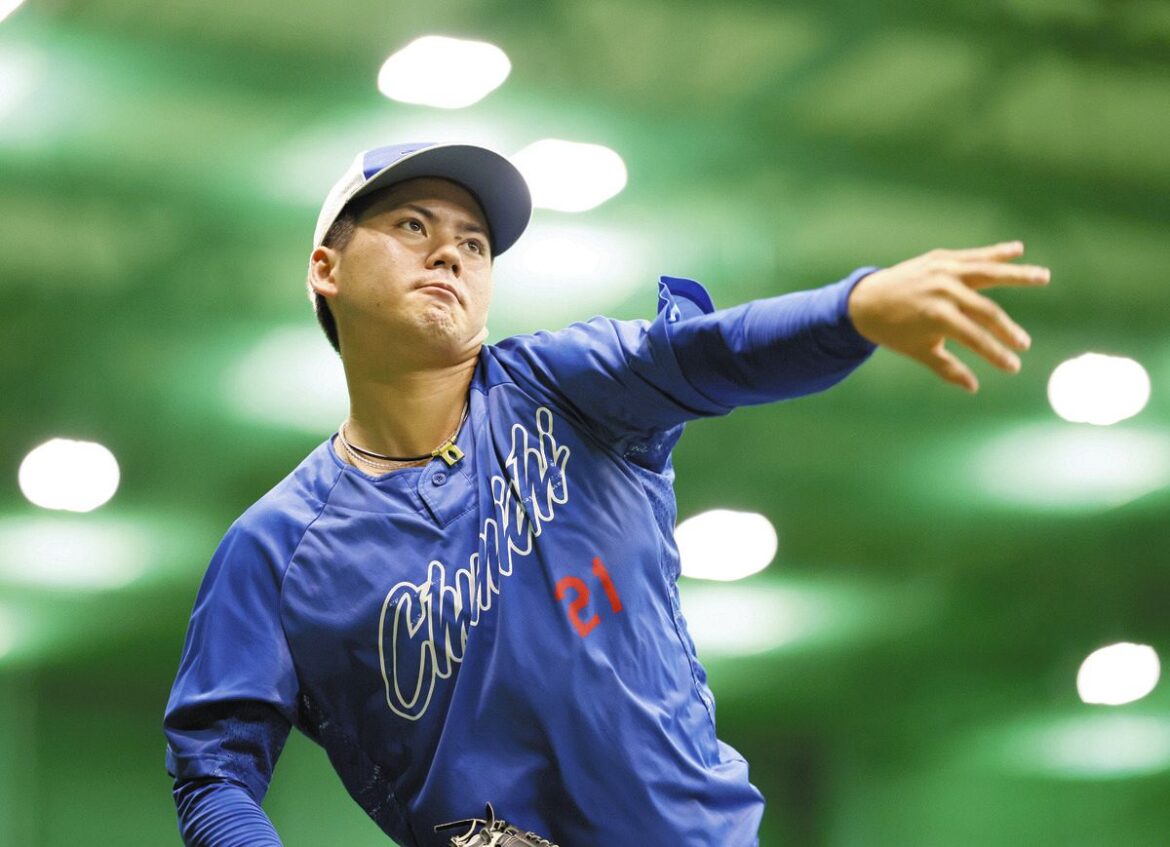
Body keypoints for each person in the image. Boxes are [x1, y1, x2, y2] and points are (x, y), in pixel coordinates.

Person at [163, 141, 1049, 847]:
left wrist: (852, 308)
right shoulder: (276, 548)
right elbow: (213, 770)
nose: (451, 251)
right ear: (326, 267)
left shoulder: (563, 388)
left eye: (475, 241)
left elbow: (703, 356)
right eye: (409, 223)